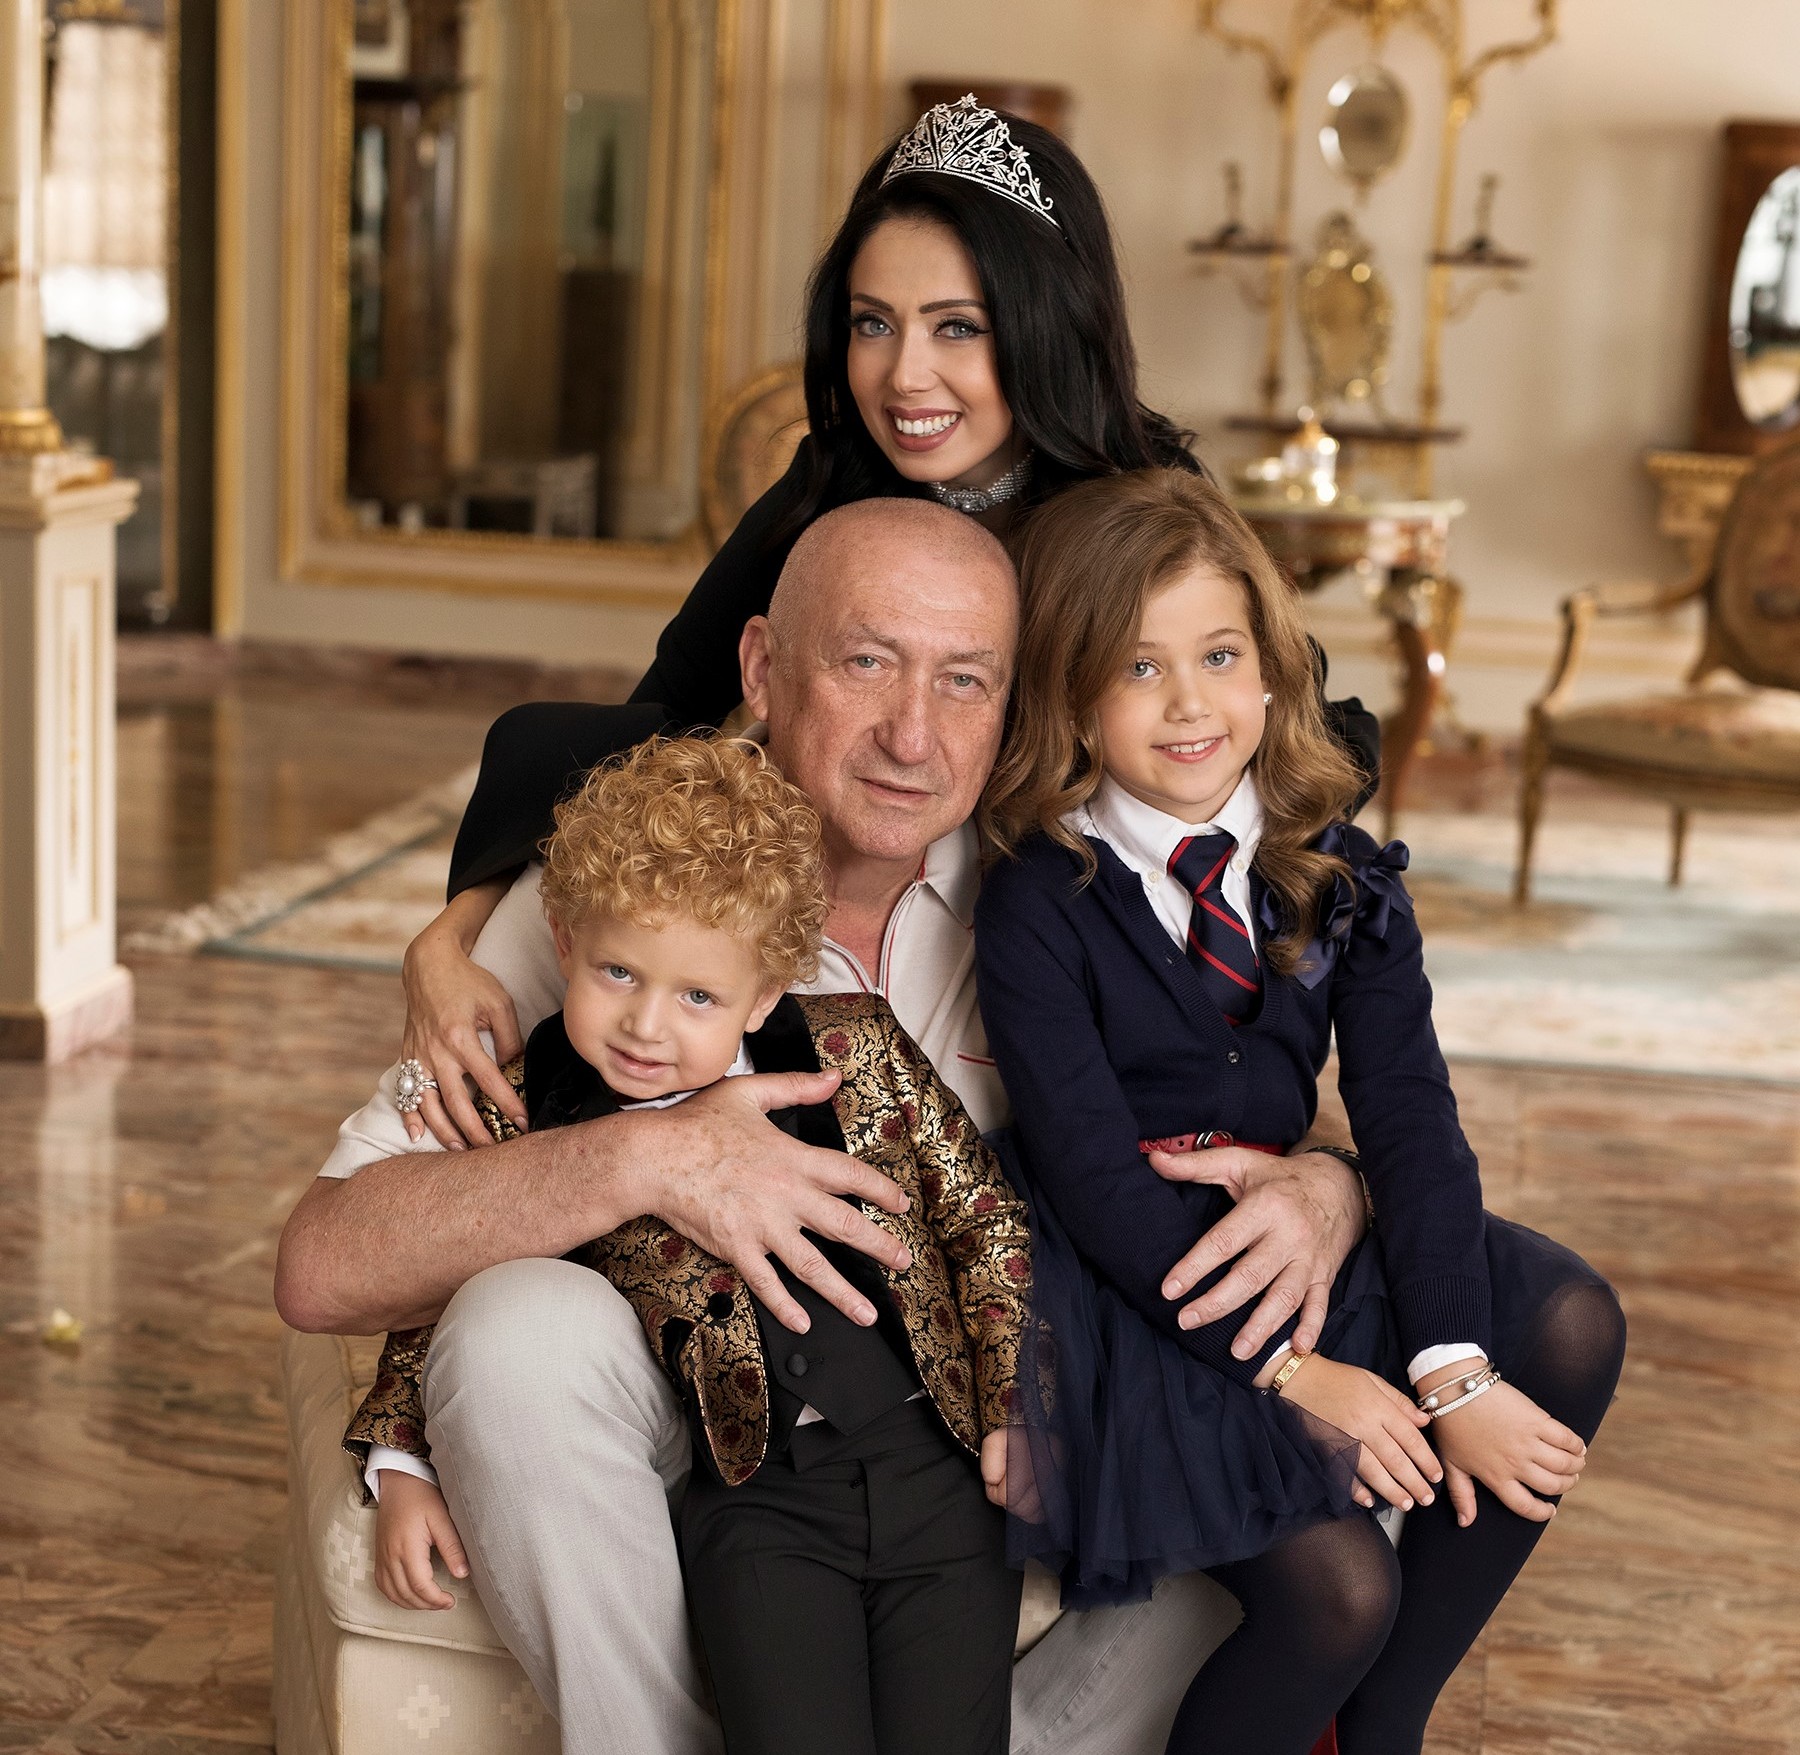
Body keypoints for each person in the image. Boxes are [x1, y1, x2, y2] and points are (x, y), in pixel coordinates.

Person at [275, 496, 1374, 1755]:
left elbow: (1236, 1114)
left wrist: (1331, 1184)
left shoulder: (1062, 890)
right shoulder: (623, 894)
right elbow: (323, 1264)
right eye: (866, 662)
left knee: (1339, 1419)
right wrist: (649, 1154)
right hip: (687, 1402)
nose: (913, 733)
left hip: (940, 1437)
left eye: (965, 681)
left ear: (1014, 706)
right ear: (761, 668)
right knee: (513, 1329)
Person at [395, 94, 1380, 1155]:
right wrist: (452, 937)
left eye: (957, 326)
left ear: (1047, 324)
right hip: (844, 955)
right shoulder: (827, 485)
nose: (904, 376)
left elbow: (1290, 737)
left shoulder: (1144, 500)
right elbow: (654, 733)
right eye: (874, 323)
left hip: (1073, 958)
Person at [974, 468, 1630, 1755]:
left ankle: (1389, 1726)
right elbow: (1091, 1177)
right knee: (1339, 1592)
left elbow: (1409, 1116)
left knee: (1567, 1321)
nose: (1189, 704)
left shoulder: (1340, 872)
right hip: (1130, 1289)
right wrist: (1293, 1372)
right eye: (1138, 668)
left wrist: (1452, 1370)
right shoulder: (1039, 897)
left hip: (1286, 1238)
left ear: (1275, 676)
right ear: (1071, 696)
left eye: (1219, 657)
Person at [349, 736, 1033, 1755]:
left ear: (763, 994)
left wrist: (1019, 1403)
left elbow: (986, 1223)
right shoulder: (526, 1107)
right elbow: (442, 1278)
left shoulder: (857, 1045)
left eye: (698, 996)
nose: (646, 1025)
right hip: (757, 1500)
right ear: (564, 940)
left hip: (936, 1466)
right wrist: (401, 1459)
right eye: (618, 971)